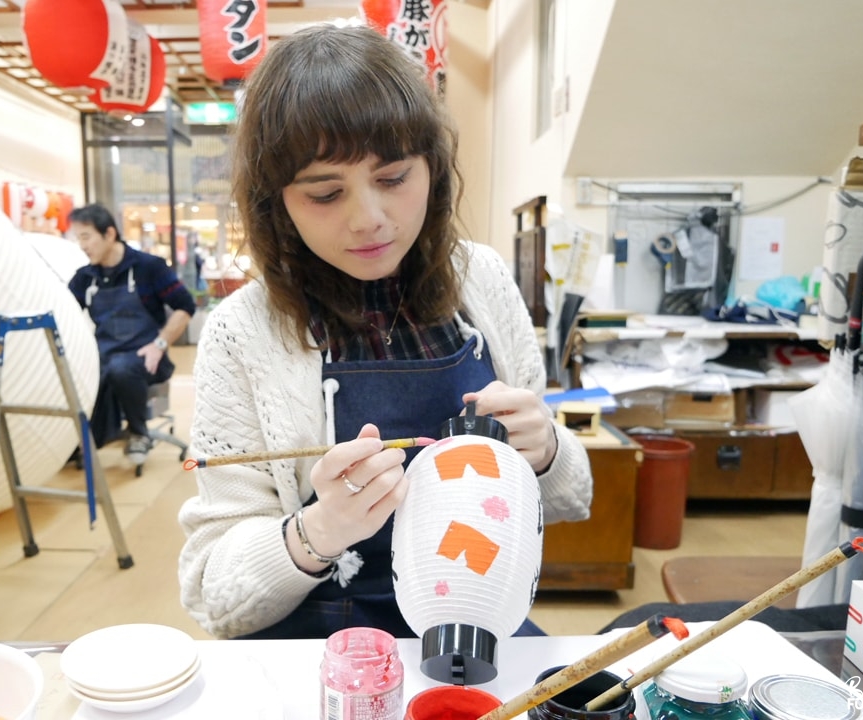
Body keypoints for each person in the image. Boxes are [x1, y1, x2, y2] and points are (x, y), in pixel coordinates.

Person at [178, 23, 592, 640]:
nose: (368, 219)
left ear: (433, 168)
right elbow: (214, 595)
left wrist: (548, 452)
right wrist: (317, 532)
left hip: (473, 616)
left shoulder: (483, 281)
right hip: (314, 634)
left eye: (394, 179)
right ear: (278, 204)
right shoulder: (243, 332)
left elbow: (567, 502)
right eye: (325, 193)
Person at [67, 204, 195, 465]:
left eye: (85, 237)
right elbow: (64, 313)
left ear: (109, 234)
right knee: (88, 372)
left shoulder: (149, 267)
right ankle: (85, 440)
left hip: (147, 357)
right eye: (77, 238)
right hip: (104, 357)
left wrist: (159, 345)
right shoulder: (85, 278)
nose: (81, 245)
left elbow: (186, 306)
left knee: (121, 368)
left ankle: (139, 433)